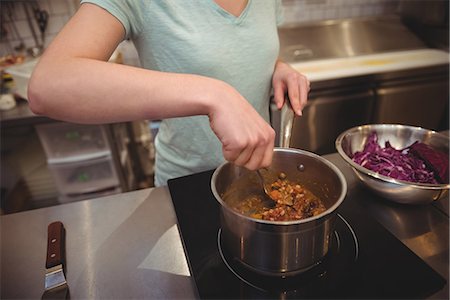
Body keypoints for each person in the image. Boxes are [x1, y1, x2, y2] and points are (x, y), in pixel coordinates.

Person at [28, 0, 310, 186]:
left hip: (258, 176)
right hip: (189, 182)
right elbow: (48, 85)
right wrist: (214, 93)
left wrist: (279, 67)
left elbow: (242, 48)